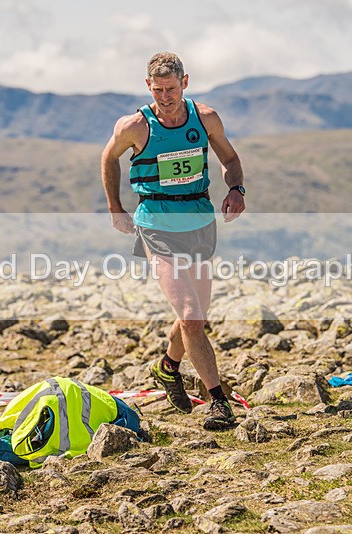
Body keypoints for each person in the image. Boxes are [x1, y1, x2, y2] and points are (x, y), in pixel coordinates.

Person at [100, 52, 245, 430]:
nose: (165, 97)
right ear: (148, 86)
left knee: (194, 316)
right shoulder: (134, 126)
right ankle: (218, 402)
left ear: (185, 82)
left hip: (199, 221)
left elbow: (230, 159)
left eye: (172, 89)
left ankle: (167, 367)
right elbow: (108, 158)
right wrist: (116, 208)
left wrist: (236, 189)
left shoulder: (206, 118)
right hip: (156, 226)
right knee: (192, 316)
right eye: (158, 90)